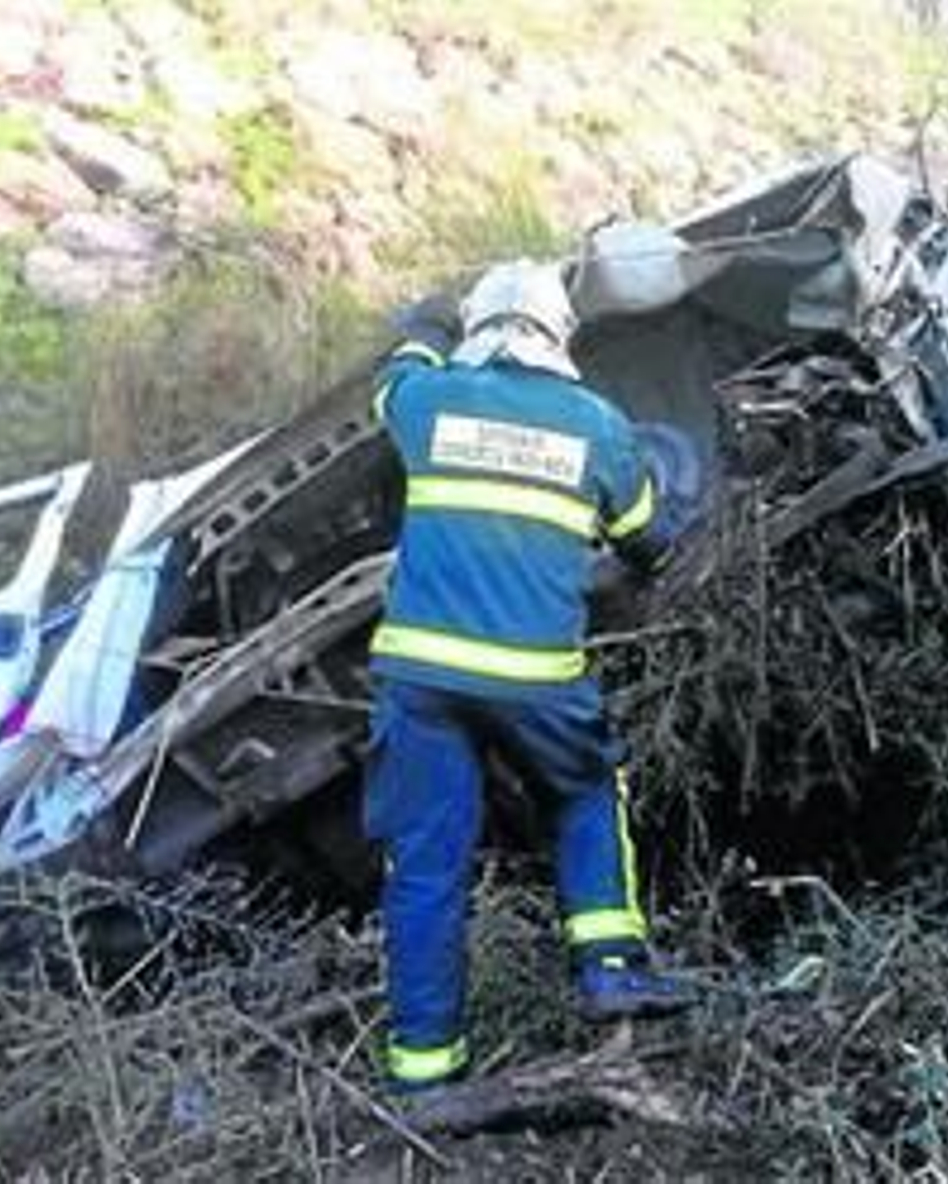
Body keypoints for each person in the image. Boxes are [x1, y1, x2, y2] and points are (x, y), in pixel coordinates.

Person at [364, 259, 692, 1094]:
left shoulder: (428, 403)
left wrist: (426, 323)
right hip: (538, 678)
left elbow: (395, 375)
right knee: (587, 790)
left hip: (421, 678)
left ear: (480, 331)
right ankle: (610, 963)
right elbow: (649, 539)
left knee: (427, 861)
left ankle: (424, 1066)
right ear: (560, 336)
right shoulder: (597, 424)